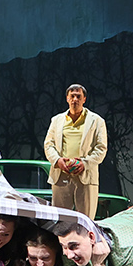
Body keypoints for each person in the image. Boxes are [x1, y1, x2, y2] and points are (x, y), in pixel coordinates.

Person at [43, 84, 109, 218]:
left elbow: (101, 148)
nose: (75, 99)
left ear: (84, 99)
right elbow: (48, 144)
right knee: (60, 221)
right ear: (67, 98)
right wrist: (57, 161)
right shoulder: (56, 120)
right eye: (72, 96)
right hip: (61, 176)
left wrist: (85, 163)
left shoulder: (97, 121)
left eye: (78, 96)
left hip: (86, 177)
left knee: (86, 221)